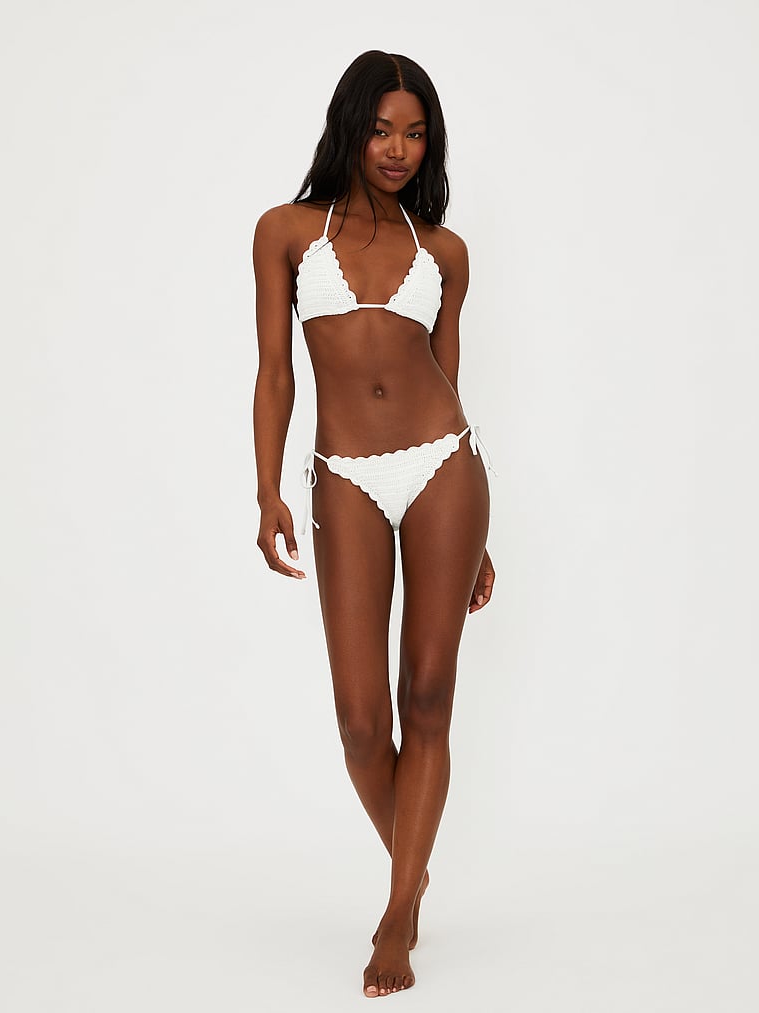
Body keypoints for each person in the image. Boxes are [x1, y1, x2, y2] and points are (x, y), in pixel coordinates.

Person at [252, 49, 496, 999]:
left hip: (445, 467)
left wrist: (478, 537)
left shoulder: (445, 251)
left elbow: (448, 374)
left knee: (427, 696)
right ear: (350, 127)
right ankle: (415, 866)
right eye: (384, 128)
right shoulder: (285, 231)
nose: (398, 149)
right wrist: (267, 488)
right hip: (343, 475)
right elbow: (277, 370)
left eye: (417, 133)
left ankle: (398, 910)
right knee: (362, 721)